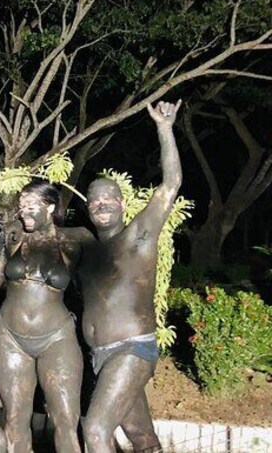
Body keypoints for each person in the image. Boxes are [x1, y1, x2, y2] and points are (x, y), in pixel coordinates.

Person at [79, 101, 182, 453]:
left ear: (123, 204)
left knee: (95, 430)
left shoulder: (139, 235)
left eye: (109, 199)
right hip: (101, 356)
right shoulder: (88, 249)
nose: (101, 204)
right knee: (142, 438)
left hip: (131, 349)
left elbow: (170, 186)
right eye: (94, 201)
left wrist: (165, 129)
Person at [0, 180, 91, 453]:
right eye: (21, 206)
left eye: (31, 205)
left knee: (65, 420)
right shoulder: (11, 237)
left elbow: (101, 286)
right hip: (10, 338)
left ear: (50, 207)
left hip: (57, 337)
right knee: (15, 419)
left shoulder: (75, 239)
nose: (23, 211)